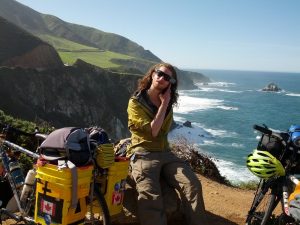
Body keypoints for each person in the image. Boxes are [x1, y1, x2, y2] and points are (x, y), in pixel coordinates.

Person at [127, 62, 207, 225]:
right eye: (160, 73)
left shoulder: (168, 105)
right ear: (152, 74)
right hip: (143, 153)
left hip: (165, 153)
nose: (162, 78)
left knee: (193, 185)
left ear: (170, 84)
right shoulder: (136, 102)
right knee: (150, 196)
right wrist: (164, 104)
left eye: (168, 78)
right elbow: (154, 131)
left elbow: (162, 132)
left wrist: (165, 104)